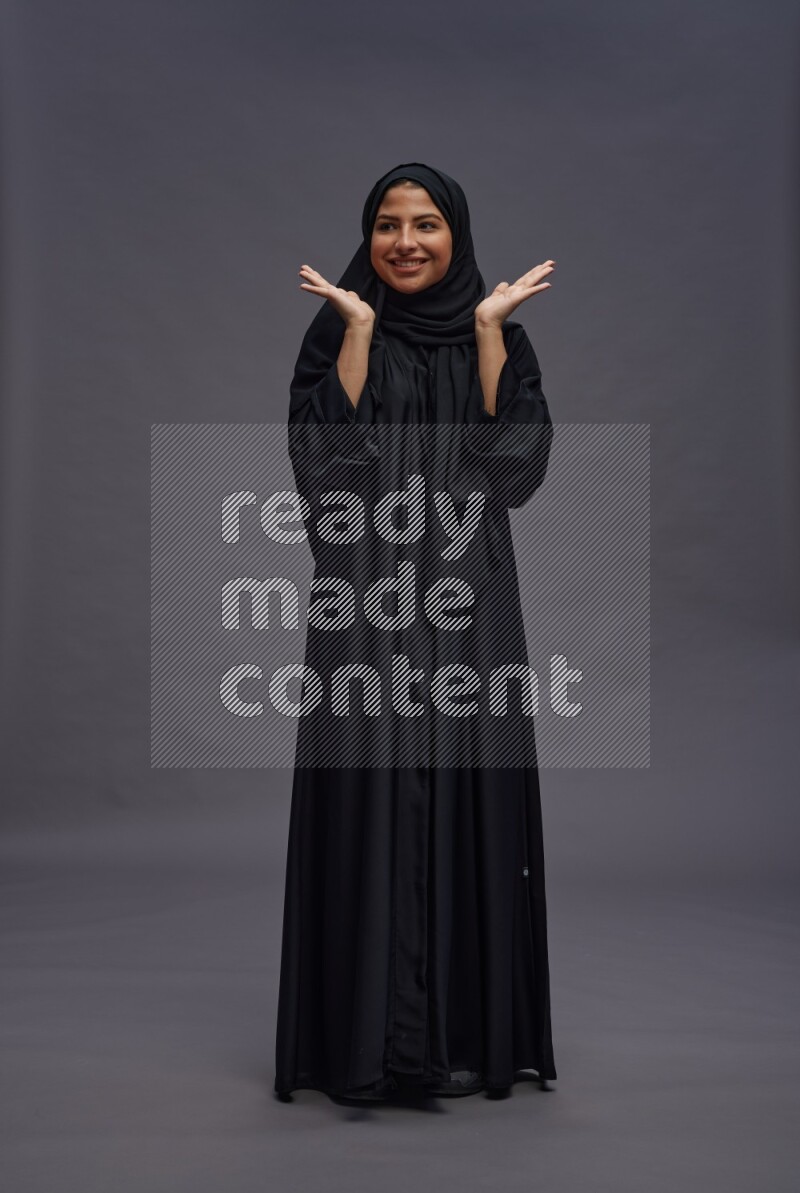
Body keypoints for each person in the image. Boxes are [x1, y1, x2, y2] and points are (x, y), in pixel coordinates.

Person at [274, 162, 557, 1103]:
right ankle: (366, 1042)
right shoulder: (336, 329)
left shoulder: (500, 332)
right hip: (365, 600)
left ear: (455, 234)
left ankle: (463, 1036)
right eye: (388, 224)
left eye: (426, 224)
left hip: (471, 606)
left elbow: (513, 471)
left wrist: (489, 334)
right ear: (369, 235)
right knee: (370, 791)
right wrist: (358, 334)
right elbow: (324, 471)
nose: (405, 242)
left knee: (469, 790)